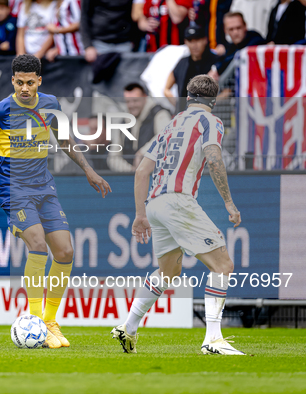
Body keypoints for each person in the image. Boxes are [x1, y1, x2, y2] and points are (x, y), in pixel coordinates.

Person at [0, 54, 111, 349]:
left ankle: (50, 322)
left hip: (44, 188)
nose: (24, 88)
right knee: (38, 245)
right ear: (12, 80)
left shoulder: (51, 104)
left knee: (65, 252)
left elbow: (64, 140)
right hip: (13, 189)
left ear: (39, 81)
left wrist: (89, 170)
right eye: (19, 82)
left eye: (30, 82)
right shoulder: (0, 109)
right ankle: (35, 319)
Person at [111, 74, 245, 356]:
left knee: (168, 272)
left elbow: (142, 171)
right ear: (213, 101)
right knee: (222, 265)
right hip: (178, 201)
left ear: (187, 98)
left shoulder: (171, 124)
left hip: (155, 203)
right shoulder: (210, 121)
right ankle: (213, 339)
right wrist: (229, 203)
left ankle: (128, 326)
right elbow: (214, 158)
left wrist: (140, 215)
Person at [164, 24, 219, 112]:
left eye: (197, 40)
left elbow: (227, 90)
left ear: (205, 40)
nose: (194, 45)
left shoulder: (216, 61)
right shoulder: (182, 63)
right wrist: (178, 106)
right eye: (190, 40)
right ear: (185, 42)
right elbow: (166, 89)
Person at [121, 83, 171, 168]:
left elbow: (167, 136)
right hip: (130, 177)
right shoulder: (124, 121)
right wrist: (130, 171)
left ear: (145, 97)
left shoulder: (159, 114)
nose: (131, 105)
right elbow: (113, 156)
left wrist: (142, 153)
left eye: (135, 101)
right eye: (128, 101)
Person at [211, 12, 265, 76]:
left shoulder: (255, 38)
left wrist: (217, 69)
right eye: (231, 29)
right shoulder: (232, 46)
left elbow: (239, 54)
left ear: (245, 26)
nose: (235, 32)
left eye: (238, 28)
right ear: (225, 30)